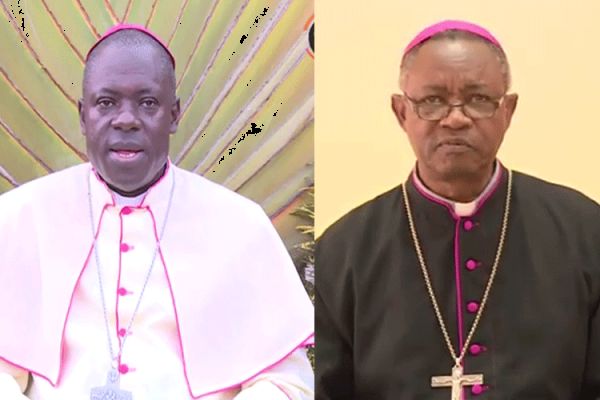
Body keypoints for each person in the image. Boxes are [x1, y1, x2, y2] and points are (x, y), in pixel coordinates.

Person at [0, 24, 314, 399]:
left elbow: (286, 383)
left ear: (174, 114)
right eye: (106, 103)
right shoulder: (22, 217)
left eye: (147, 103)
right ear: (84, 116)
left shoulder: (240, 226)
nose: (126, 119)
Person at [315, 19, 600, 399]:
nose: (455, 118)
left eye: (479, 99)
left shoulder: (585, 231)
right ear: (401, 113)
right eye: (431, 101)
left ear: (508, 111)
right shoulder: (342, 251)